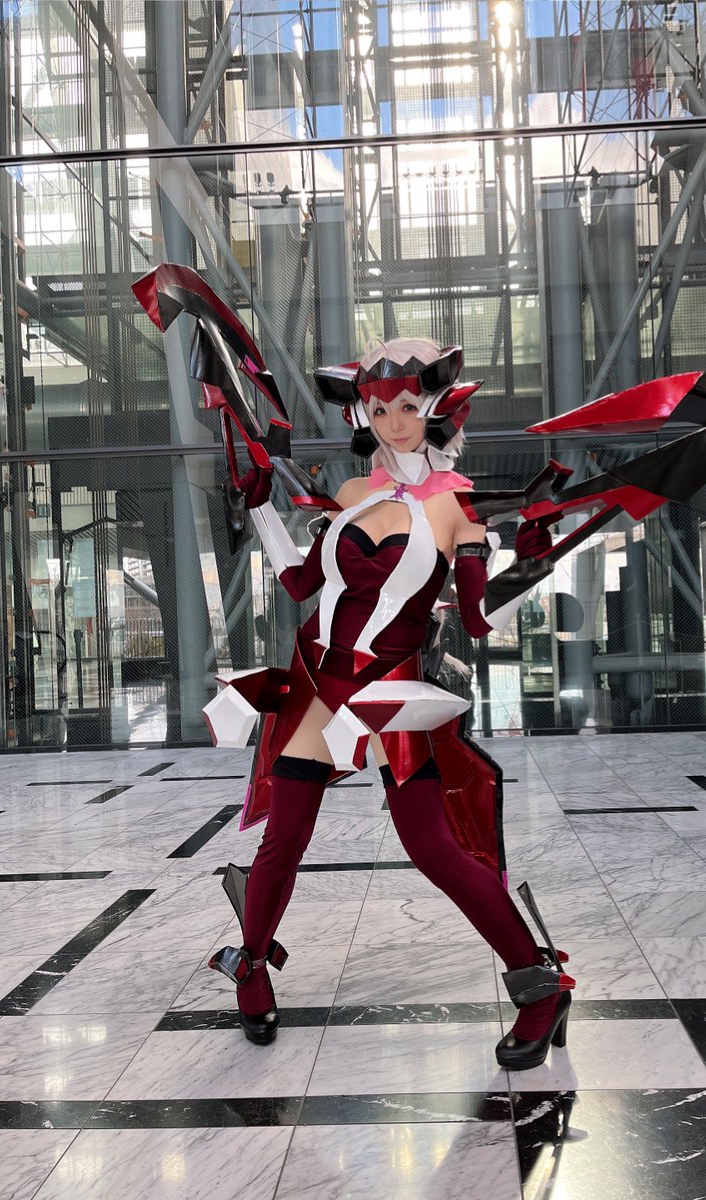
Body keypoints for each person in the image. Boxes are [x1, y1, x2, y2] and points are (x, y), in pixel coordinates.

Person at [208, 336, 573, 1070]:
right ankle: (251, 968)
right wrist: (262, 508)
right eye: (378, 410)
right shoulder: (351, 495)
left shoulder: (457, 506)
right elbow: (301, 585)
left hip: (390, 689)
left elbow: (479, 620)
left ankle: (540, 985)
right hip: (316, 681)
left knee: (433, 848)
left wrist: (533, 559)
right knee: (284, 840)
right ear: (362, 415)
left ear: (436, 406)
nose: (394, 422)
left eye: (406, 405)